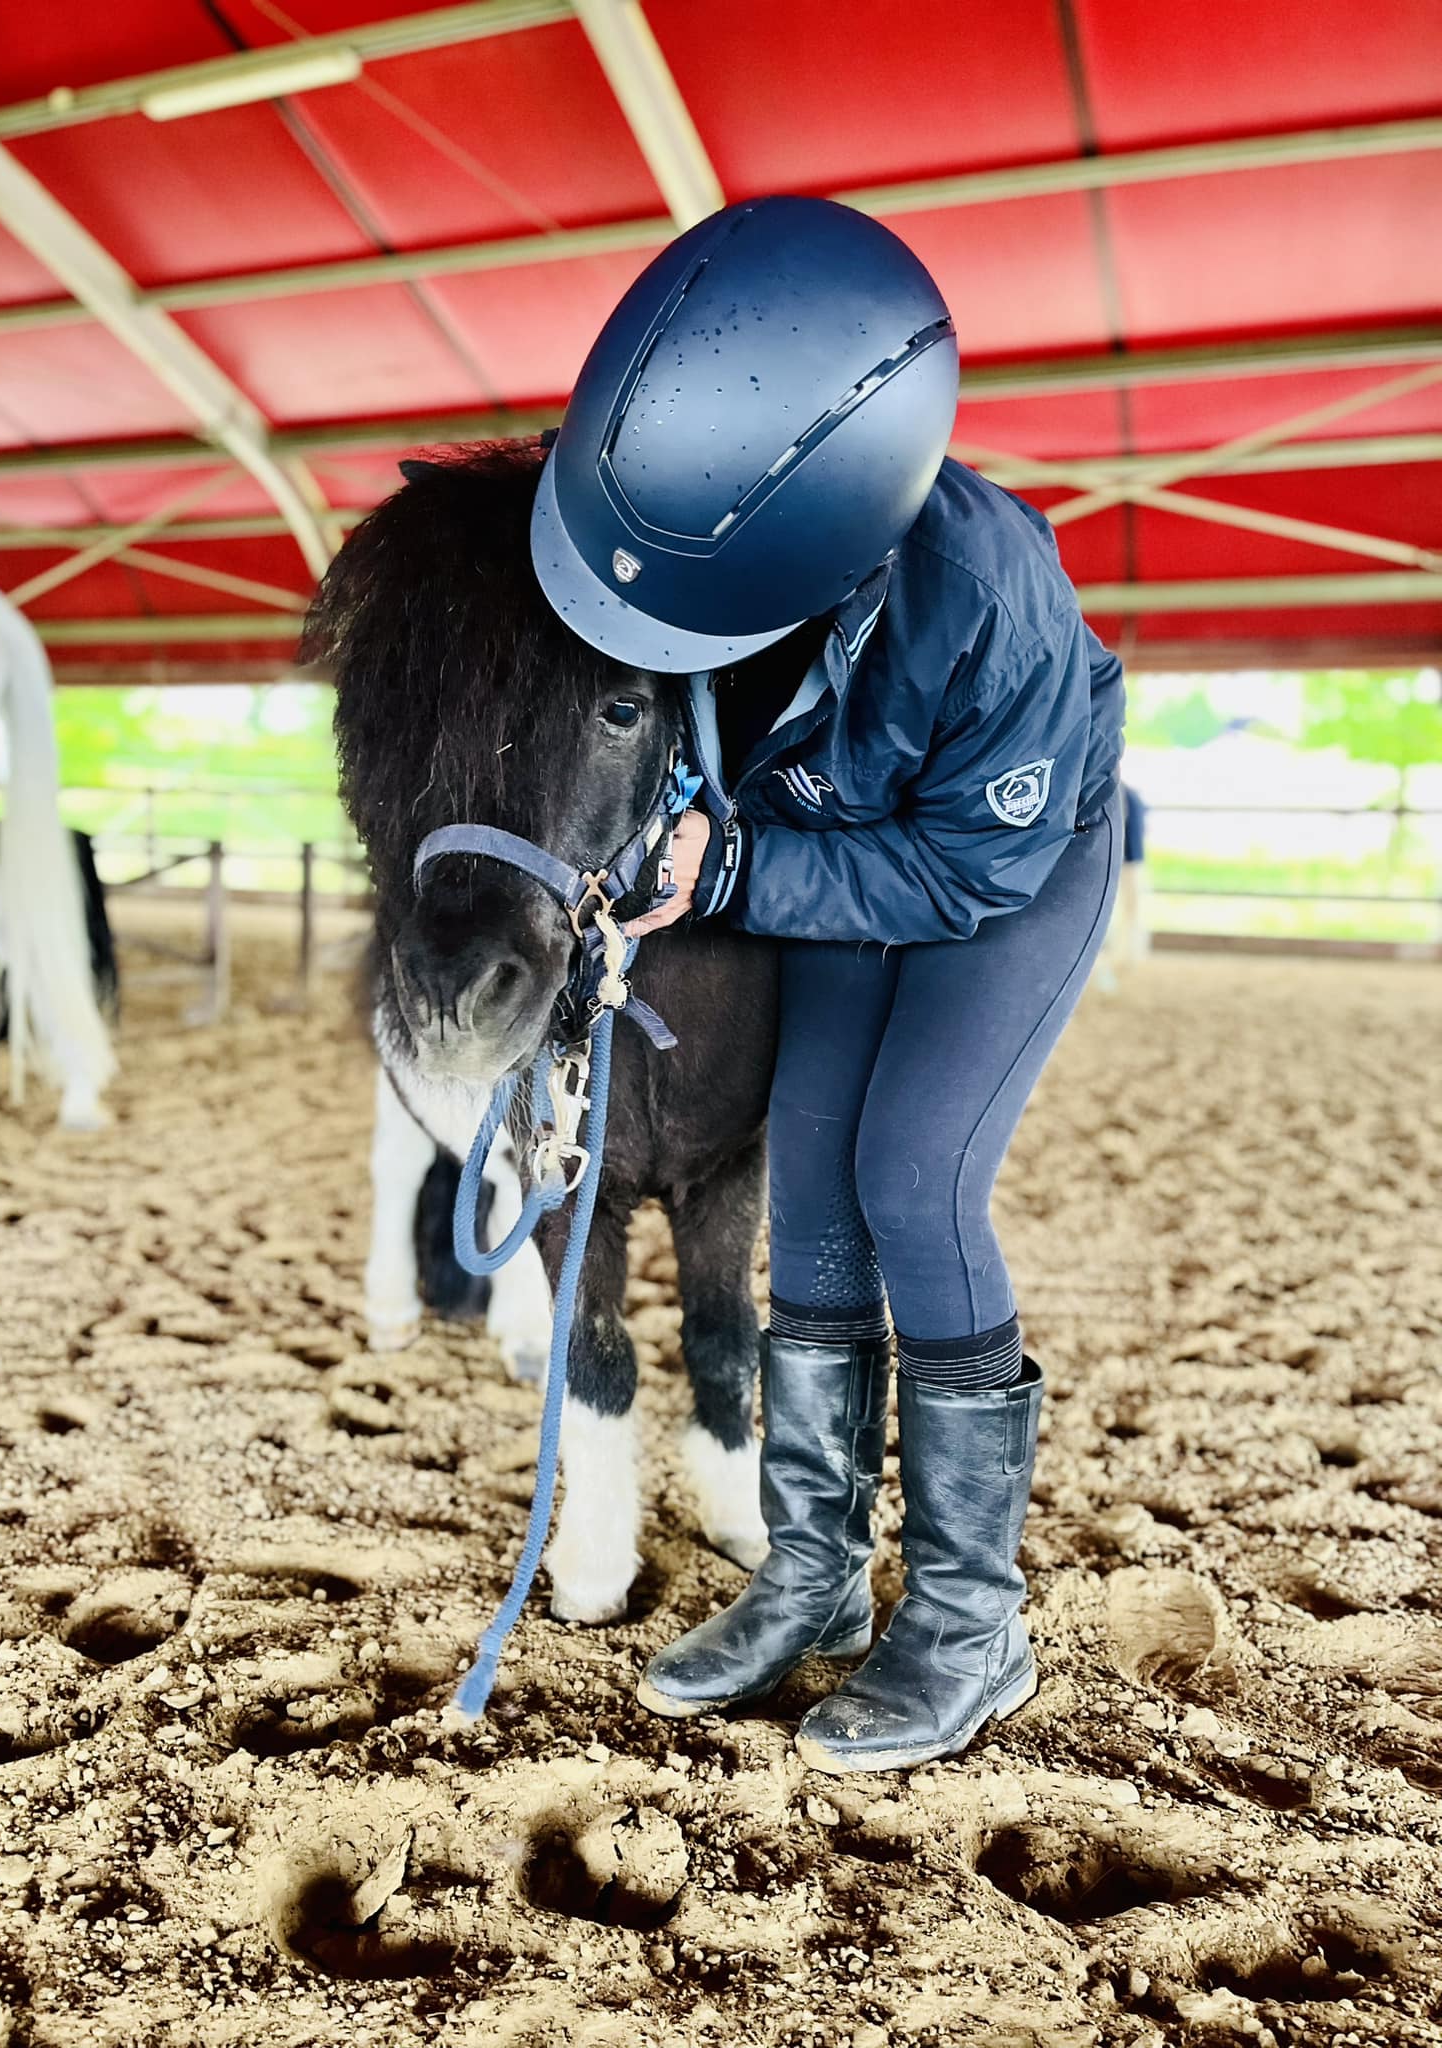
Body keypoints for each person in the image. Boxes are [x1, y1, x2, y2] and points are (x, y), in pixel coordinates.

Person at [529, 195, 1124, 1774]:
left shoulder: (985, 597)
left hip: (992, 869)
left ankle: (969, 1624)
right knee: (817, 1187)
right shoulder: (680, 518)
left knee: (916, 1179)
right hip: (823, 846)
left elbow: (960, 874)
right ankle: (812, 1573)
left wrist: (724, 876)